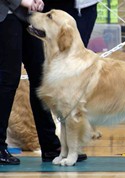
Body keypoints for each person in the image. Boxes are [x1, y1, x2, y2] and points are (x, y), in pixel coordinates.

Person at [0, 0, 86, 165]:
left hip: (27, 15)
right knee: (8, 79)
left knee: (41, 78)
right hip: (6, 13)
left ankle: (51, 146)